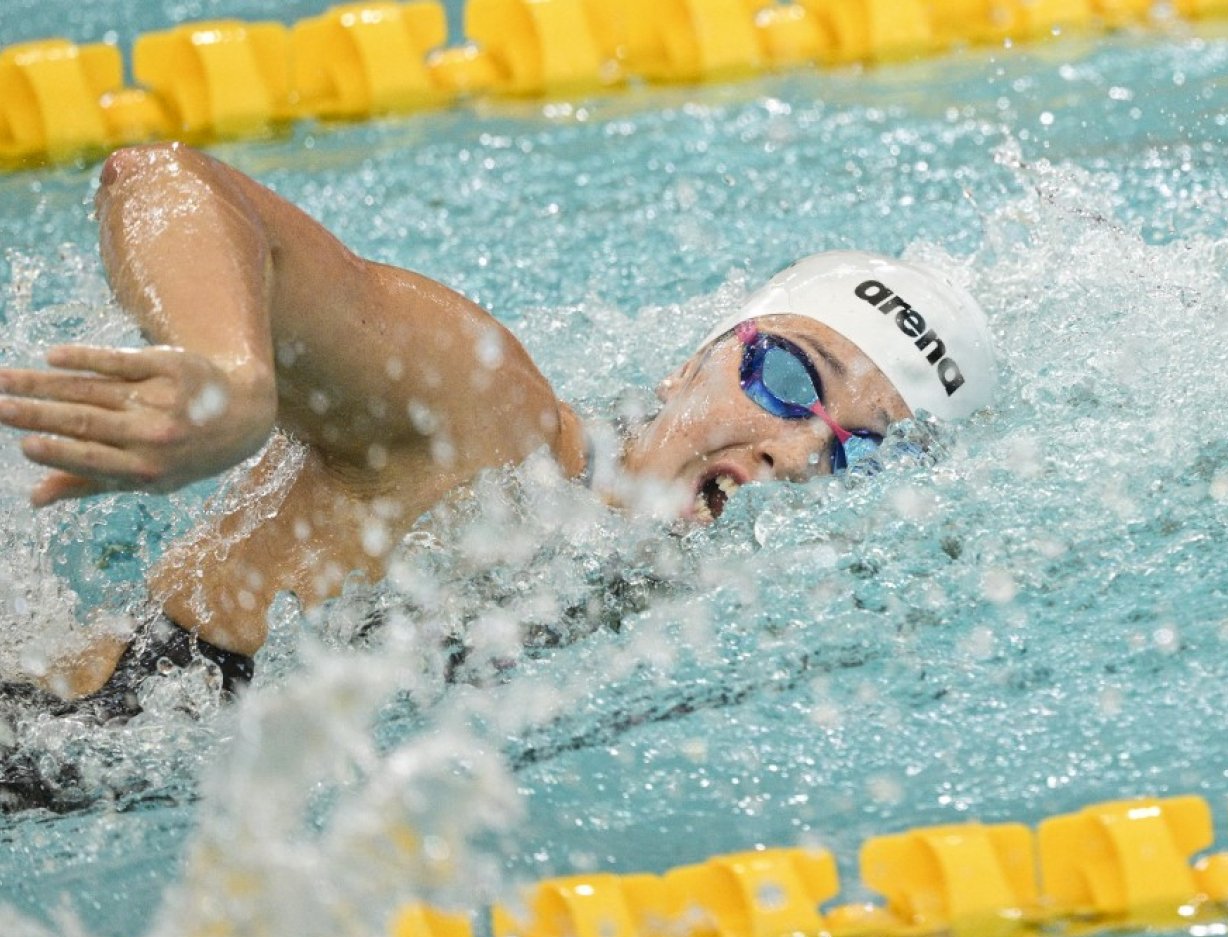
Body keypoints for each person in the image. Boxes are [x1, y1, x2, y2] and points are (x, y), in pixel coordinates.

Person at [0, 142, 997, 720]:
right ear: (692, 359)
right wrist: (229, 376)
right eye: (785, 378)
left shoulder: (697, 615)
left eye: (859, 453)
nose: (798, 450)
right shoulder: (491, 428)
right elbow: (164, 179)